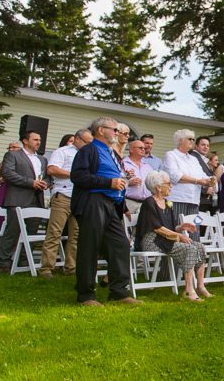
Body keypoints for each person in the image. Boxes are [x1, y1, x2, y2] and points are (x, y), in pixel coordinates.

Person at [70, 116, 139, 306]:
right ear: (101, 130)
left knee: (120, 245)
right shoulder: (89, 150)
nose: (117, 133)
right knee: (90, 247)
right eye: (114, 130)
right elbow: (78, 176)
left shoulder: (111, 153)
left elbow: (116, 176)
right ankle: (86, 295)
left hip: (111, 205)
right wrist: (108, 182)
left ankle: (119, 291)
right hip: (93, 202)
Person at [135, 170, 212, 301]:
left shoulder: (167, 203)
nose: (171, 186)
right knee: (189, 248)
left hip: (166, 239)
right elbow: (158, 228)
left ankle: (200, 286)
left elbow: (171, 227)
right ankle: (189, 291)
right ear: (158, 187)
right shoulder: (149, 202)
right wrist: (179, 235)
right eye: (168, 184)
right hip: (152, 241)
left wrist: (181, 228)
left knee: (199, 247)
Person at [39, 128, 93, 278]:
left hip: (80, 197)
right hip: (63, 195)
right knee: (55, 232)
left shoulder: (89, 155)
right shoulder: (63, 152)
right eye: (86, 142)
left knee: (76, 234)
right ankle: (46, 268)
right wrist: (75, 175)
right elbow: (51, 169)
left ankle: (71, 267)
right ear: (77, 139)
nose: (89, 145)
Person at [0, 130, 49, 273]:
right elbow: (7, 173)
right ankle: (5, 262)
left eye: (39, 140)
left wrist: (45, 182)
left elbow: (48, 176)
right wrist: (30, 182)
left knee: (32, 231)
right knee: (13, 231)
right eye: (35, 139)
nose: (38, 142)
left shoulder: (42, 159)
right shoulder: (12, 155)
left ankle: (23, 261)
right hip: (17, 198)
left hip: (37, 199)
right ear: (25, 141)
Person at [162, 130, 213, 242]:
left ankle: (195, 258)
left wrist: (211, 180)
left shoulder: (193, 159)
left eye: (193, 139)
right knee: (177, 231)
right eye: (189, 139)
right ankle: (173, 259)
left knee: (194, 231)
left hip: (194, 200)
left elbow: (203, 175)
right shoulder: (171, 155)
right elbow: (176, 176)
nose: (192, 141)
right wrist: (198, 181)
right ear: (180, 140)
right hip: (177, 199)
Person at [0, 142, 22, 233]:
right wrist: (3, 179)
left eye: (14, 147)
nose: (10, 149)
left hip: (18, 193)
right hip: (4, 192)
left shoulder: (24, 163)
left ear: (20, 149)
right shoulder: (3, 163)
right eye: (9, 148)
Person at [122, 140, 154, 216]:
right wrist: (128, 183)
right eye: (140, 148)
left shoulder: (148, 166)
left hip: (146, 203)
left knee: (143, 227)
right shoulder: (123, 164)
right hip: (128, 202)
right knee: (125, 227)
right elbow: (116, 181)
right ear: (131, 150)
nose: (143, 149)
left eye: (144, 148)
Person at [190, 136, 217, 215]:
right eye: (203, 145)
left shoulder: (203, 159)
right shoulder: (193, 157)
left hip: (206, 199)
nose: (206, 147)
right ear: (196, 146)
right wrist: (205, 190)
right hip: (198, 198)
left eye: (208, 145)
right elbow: (192, 176)